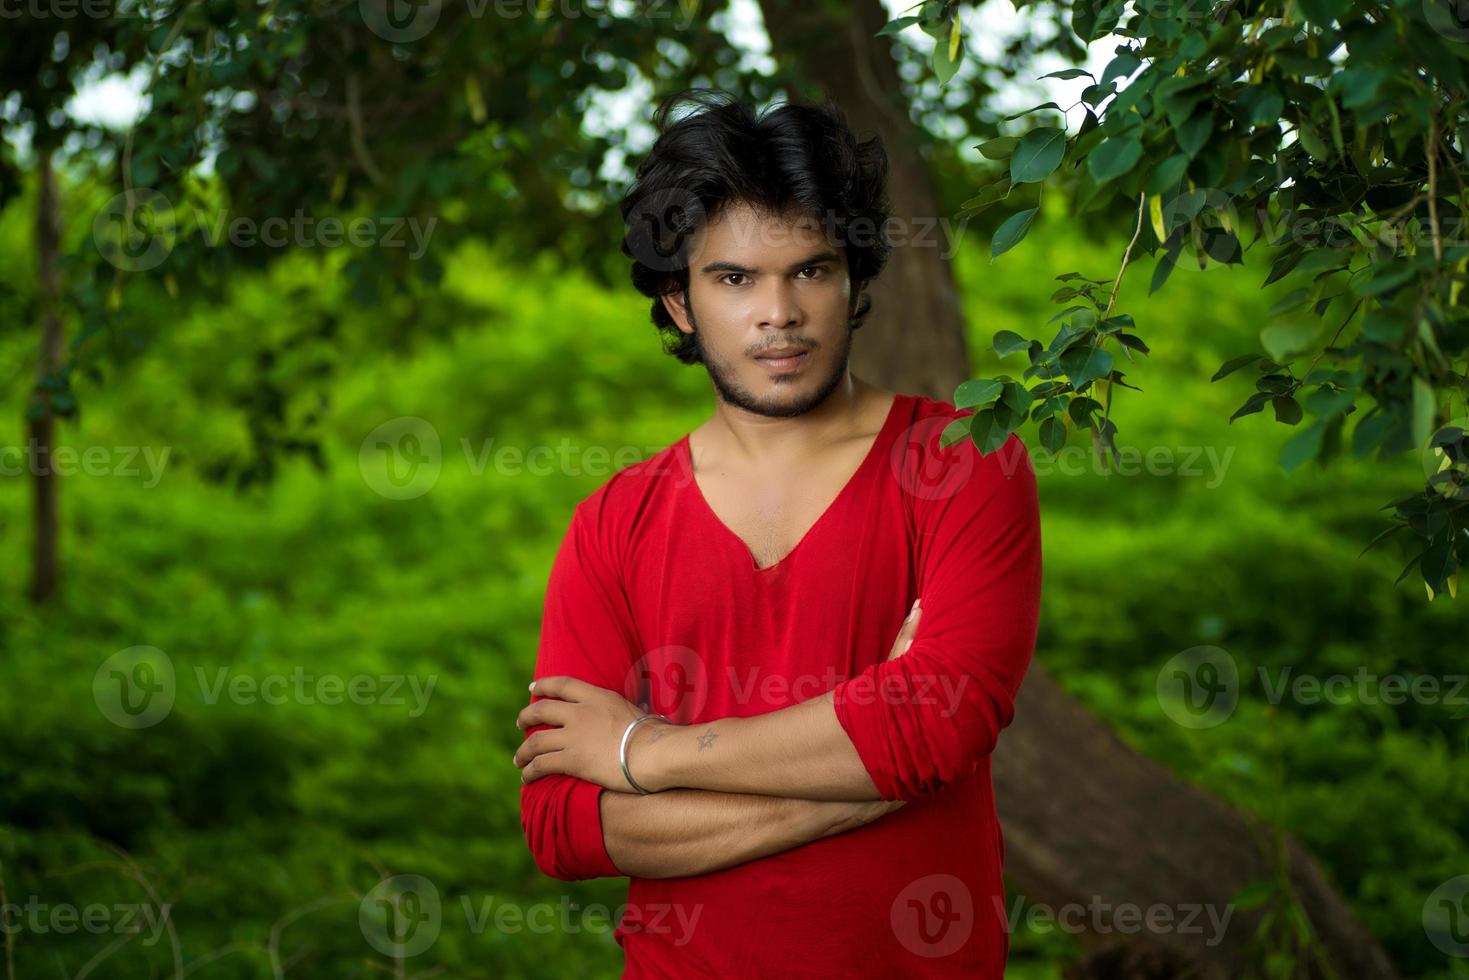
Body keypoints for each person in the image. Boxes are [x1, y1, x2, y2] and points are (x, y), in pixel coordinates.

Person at [515, 89, 1042, 979]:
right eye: (733, 279)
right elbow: (565, 825)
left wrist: (645, 753)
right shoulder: (614, 522)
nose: (779, 313)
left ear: (855, 280)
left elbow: (938, 726)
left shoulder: (960, 462)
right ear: (679, 302)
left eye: (811, 270)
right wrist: (864, 780)